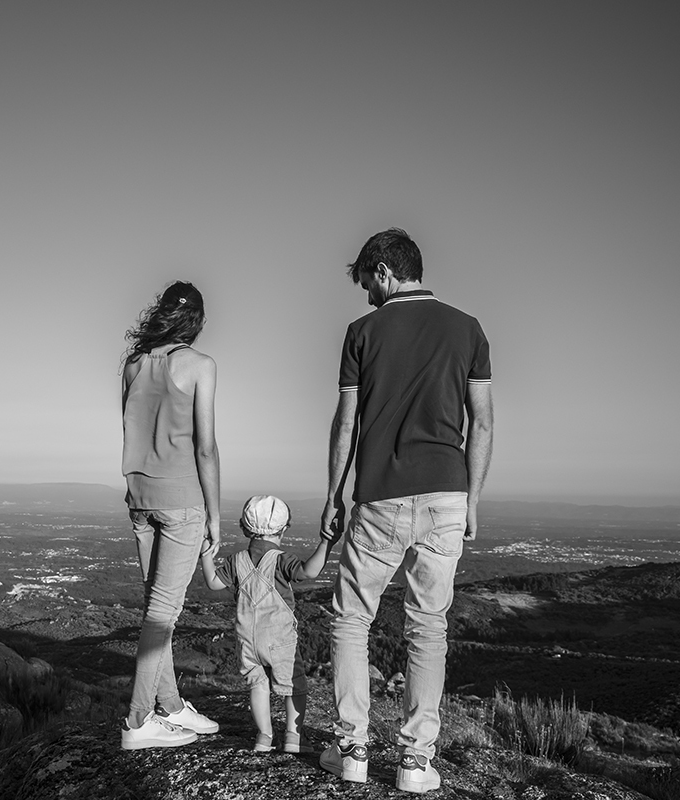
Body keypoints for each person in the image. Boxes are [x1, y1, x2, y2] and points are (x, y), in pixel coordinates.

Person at [317, 229, 494, 793]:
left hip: (380, 496)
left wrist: (333, 494)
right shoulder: (469, 330)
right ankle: (415, 763)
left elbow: (346, 423)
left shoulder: (362, 333)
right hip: (447, 492)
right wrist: (474, 498)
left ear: (386, 271)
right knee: (428, 627)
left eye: (369, 283)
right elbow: (483, 422)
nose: (368, 295)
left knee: (351, 618)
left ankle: (353, 751)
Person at [119, 281, 222, 750]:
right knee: (162, 615)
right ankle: (138, 722)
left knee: (155, 612)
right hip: (181, 500)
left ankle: (172, 706)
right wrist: (215, 516)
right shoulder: (200, 366)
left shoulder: (134, 364)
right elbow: (205, 447)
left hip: (139, 496)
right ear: (197, 322)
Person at [199, 495, 332, 754]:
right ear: (283, 529)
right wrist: (326, 542)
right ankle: (293, 737)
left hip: (247, 638)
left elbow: (214, 583)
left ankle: (264, 736)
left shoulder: (236, 560)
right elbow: (309, 572)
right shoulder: (282, 559)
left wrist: (206, 554)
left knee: (257, 684)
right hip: (279, 638)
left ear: (244, 527)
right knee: (294, 684)